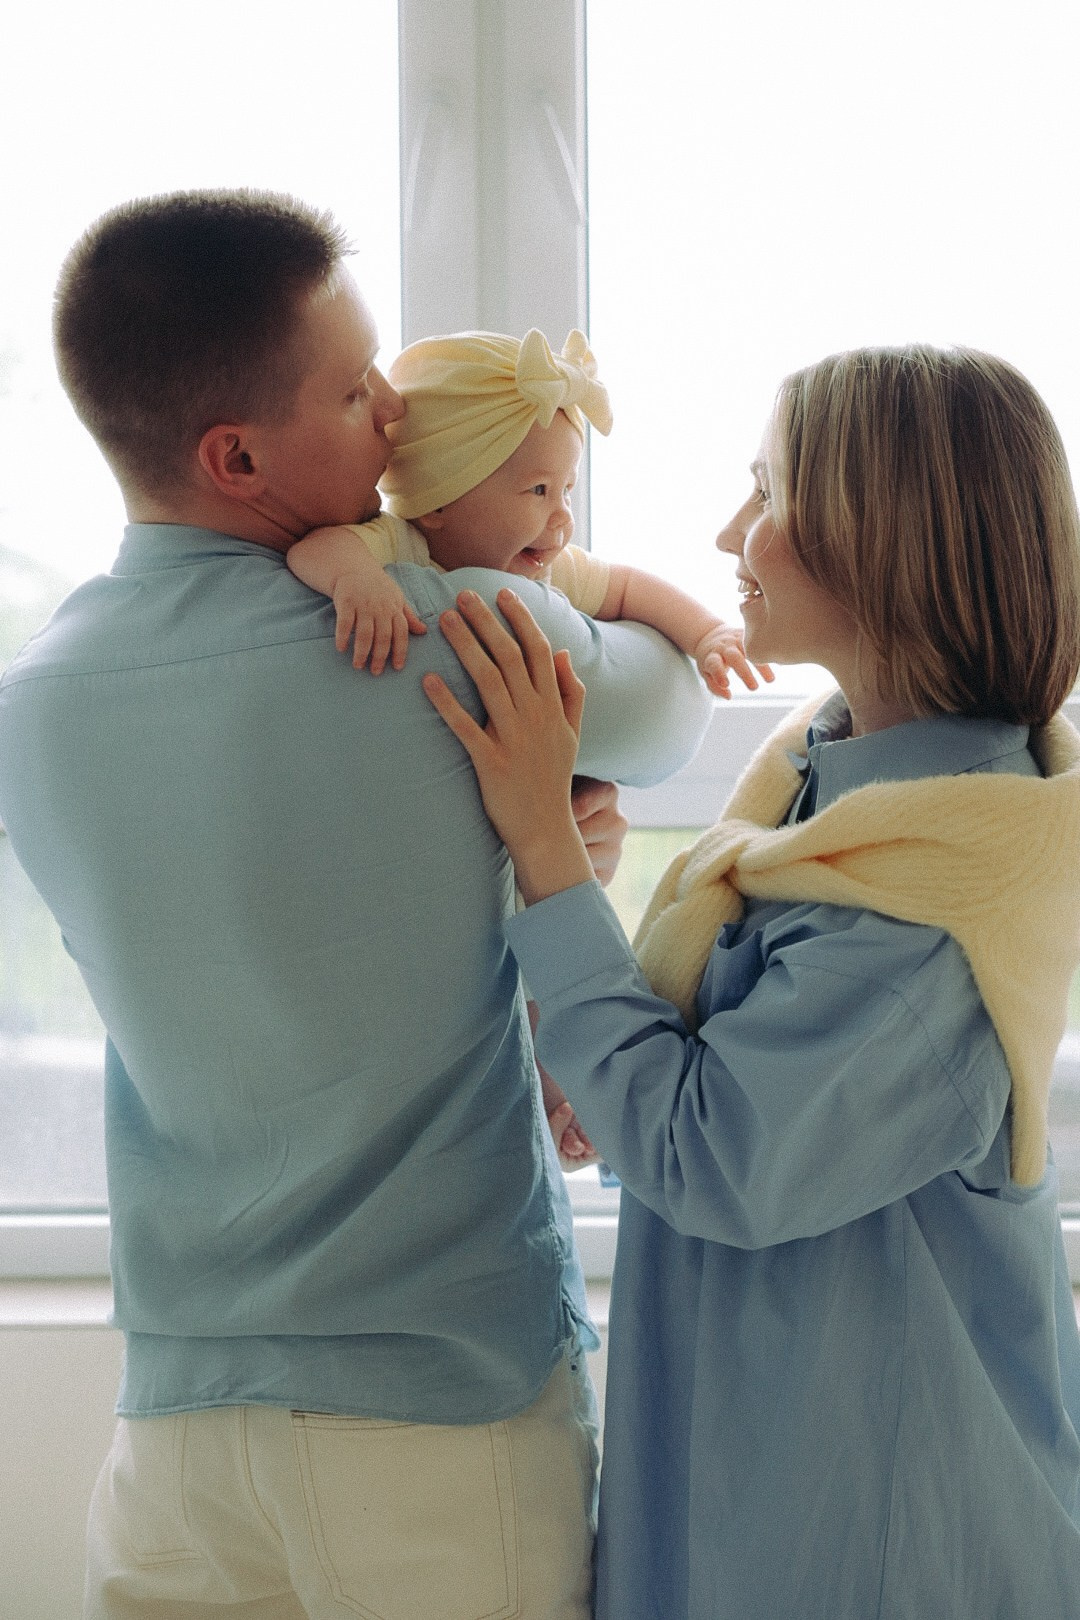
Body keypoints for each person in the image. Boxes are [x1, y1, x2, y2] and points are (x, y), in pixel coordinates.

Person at [0, 189, 713, 1619]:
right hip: (441, 1413)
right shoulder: (452, 639)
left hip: (181, 1432)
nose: (393, 413)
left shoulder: (35, 710)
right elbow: (673, 706)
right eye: (353, 386)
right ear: (238, 453)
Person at [423, 344, 1080, 1618]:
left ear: (882, 540)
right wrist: (604, 1065)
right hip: (773, 1490)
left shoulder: (932, 910)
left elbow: (718, 1155)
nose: (733, 533)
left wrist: (548, 854)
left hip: (870, 1538)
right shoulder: (831, 787)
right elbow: (728, 1084)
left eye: (768, 495)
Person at [285, 327, 770, 705]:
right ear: (438, 499)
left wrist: (706, 633)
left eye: (567, 490)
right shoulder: (402, 545)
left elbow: (626, 588)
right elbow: (317, 548)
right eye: (538, 490)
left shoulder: (549, 569)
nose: (561, 517)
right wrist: (358, 580)